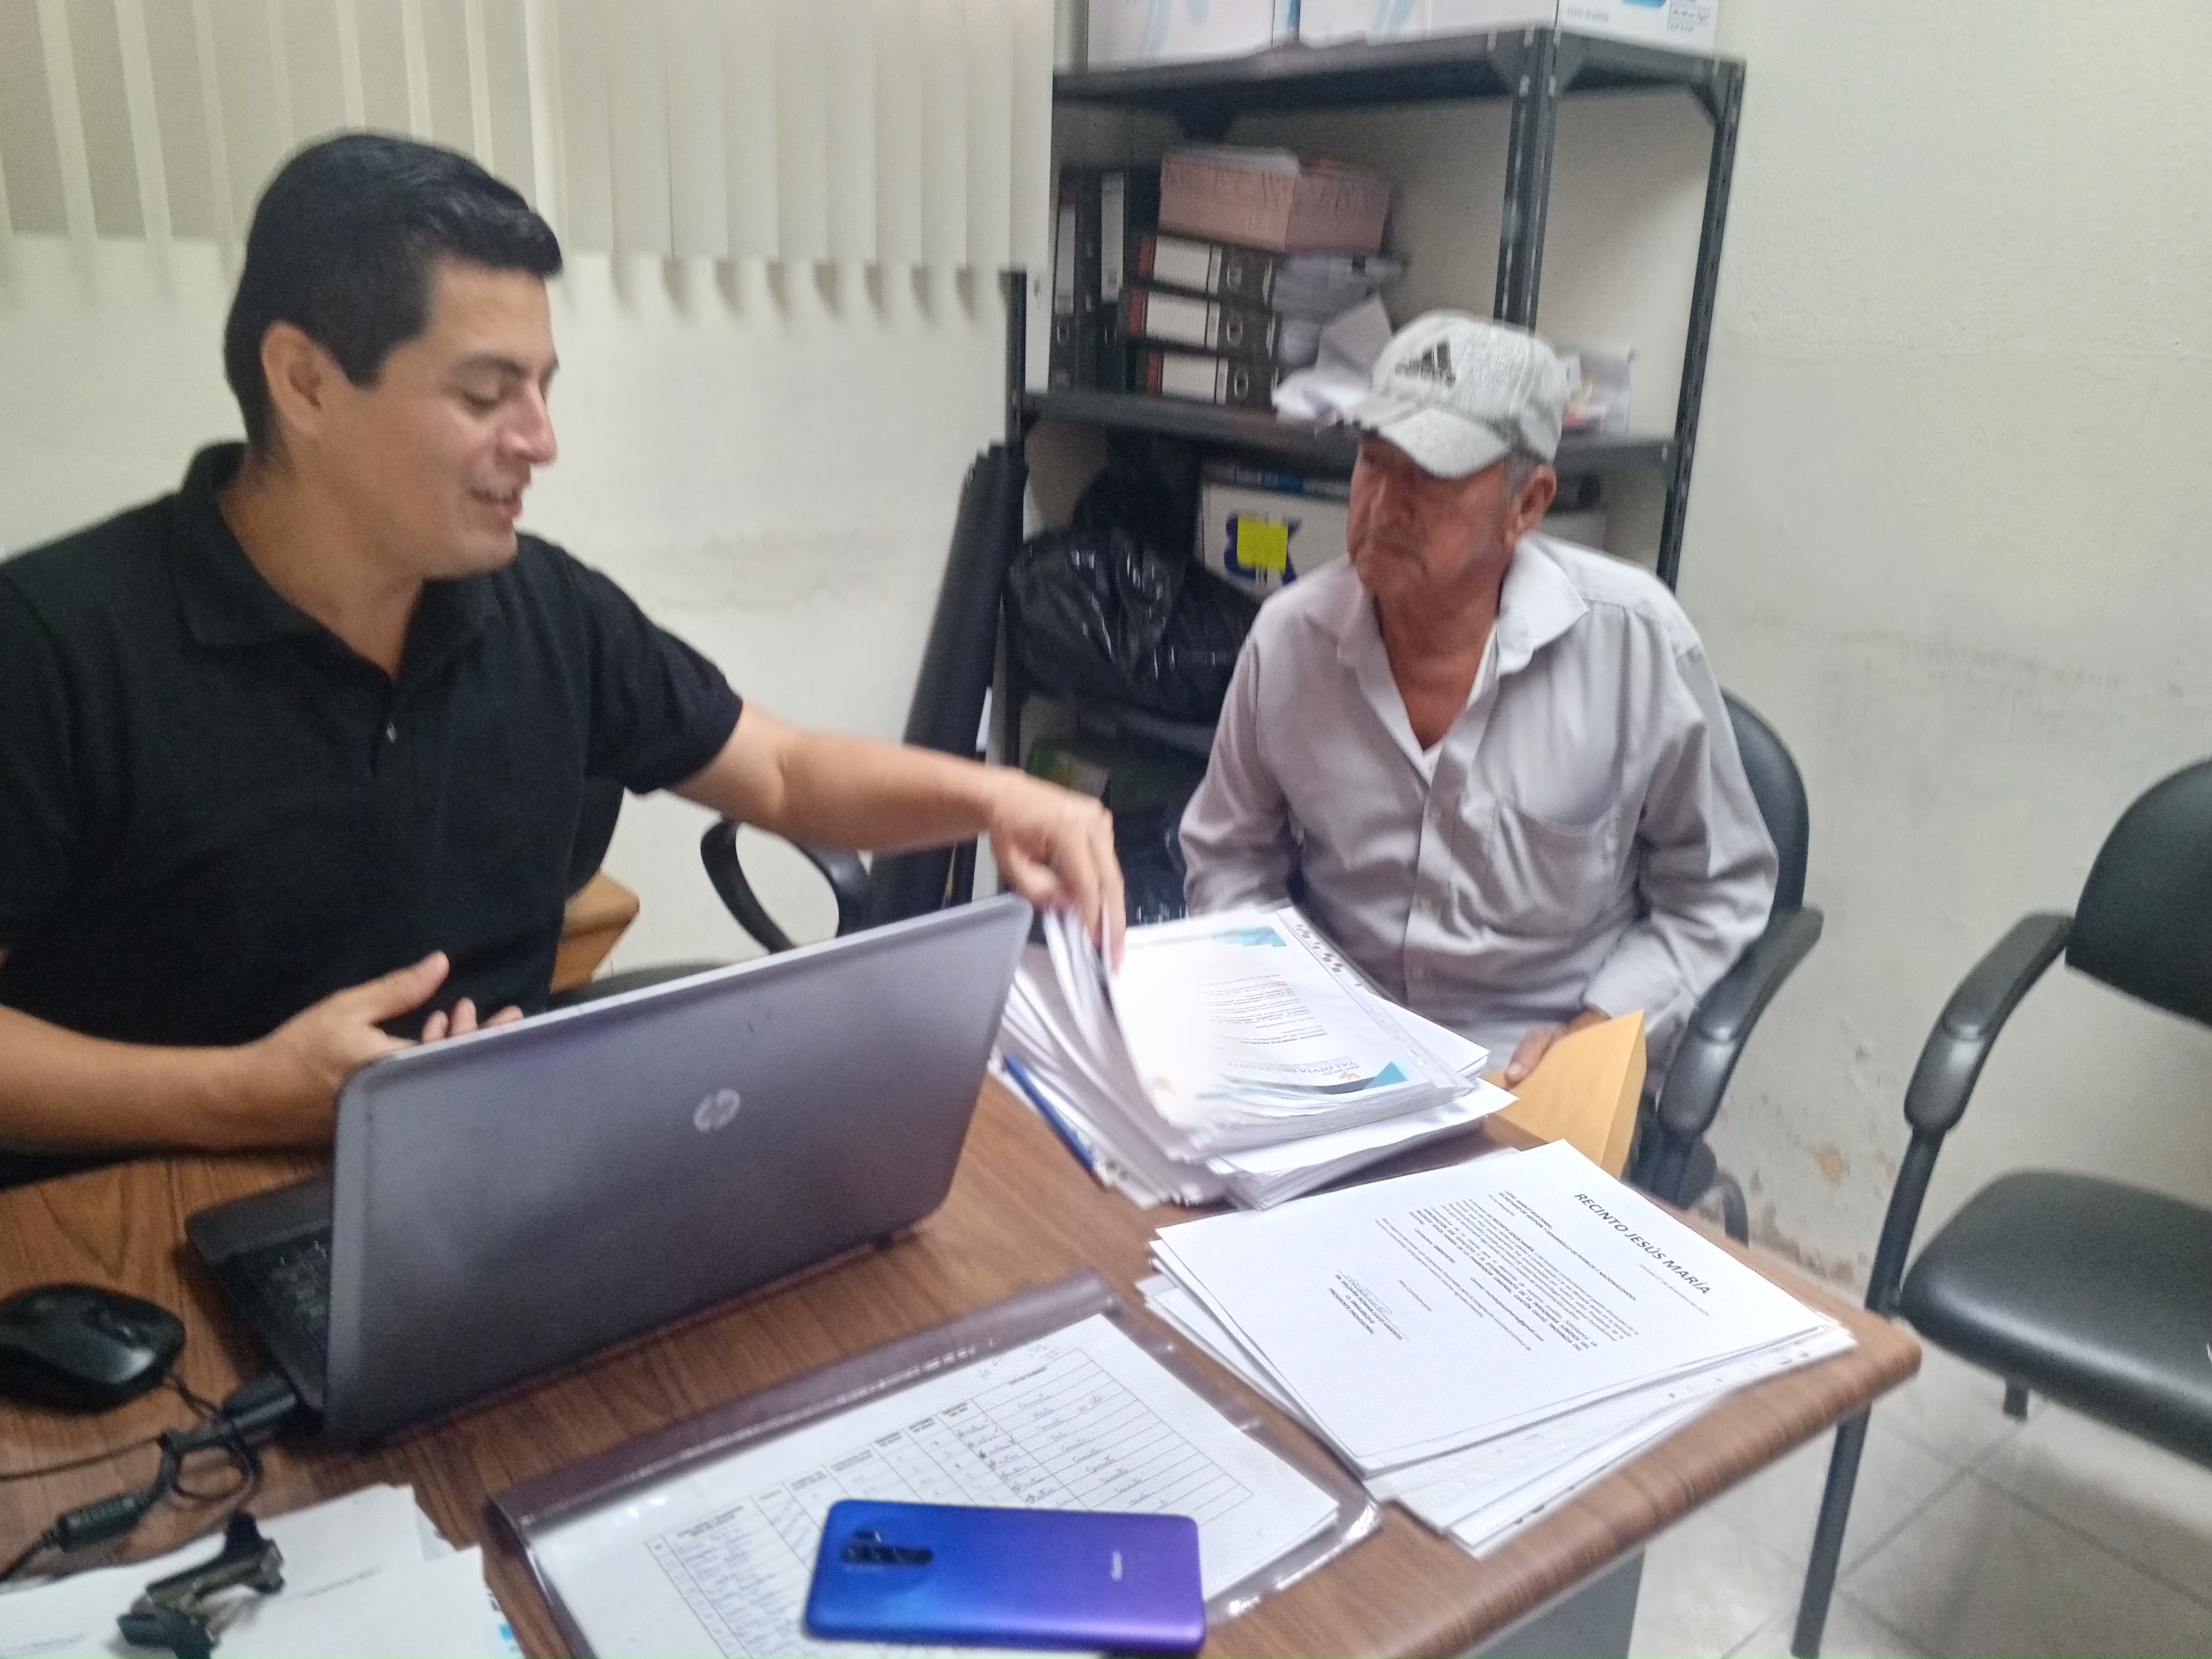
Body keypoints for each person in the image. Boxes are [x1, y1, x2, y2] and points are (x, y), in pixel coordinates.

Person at [0, 133, 1121, 1156]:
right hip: (145, 1218)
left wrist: (998, 800)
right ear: (306, 382)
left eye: (542, 390)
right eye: (487, 395)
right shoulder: (55, 644)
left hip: (487, 1185)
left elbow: (782, 773)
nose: (541, 441)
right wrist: (242, 1095)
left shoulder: (541, 609)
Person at [1179, 312, 1776, 1087]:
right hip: (1337, 1055)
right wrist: (1284, 1005)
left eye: (1429, 476)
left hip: (1529, 1069)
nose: (1382, 506)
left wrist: (1600, 1030)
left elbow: (1717, 892)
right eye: (1373, 461)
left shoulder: (1635, 648)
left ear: (1527, 505)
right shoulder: (1291, 641)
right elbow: (1229, 856)